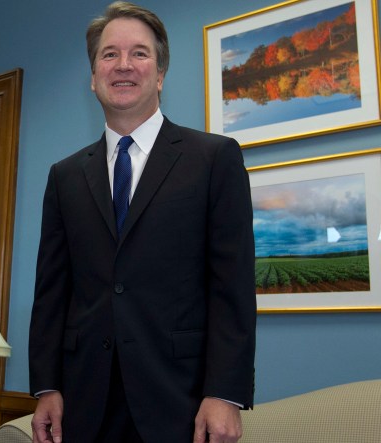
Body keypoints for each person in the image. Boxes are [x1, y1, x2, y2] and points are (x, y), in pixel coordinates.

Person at [28, 3, 256, 443]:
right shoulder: (64, 176)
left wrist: (225, 393)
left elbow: (233, 288)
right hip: (84, 402)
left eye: (139, 53)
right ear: (93, 77)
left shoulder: (214, 158)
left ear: (161, 74)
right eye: (109, 54)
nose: (124, 65)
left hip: (181, 402)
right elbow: (52, 293)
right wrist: (47, 386)